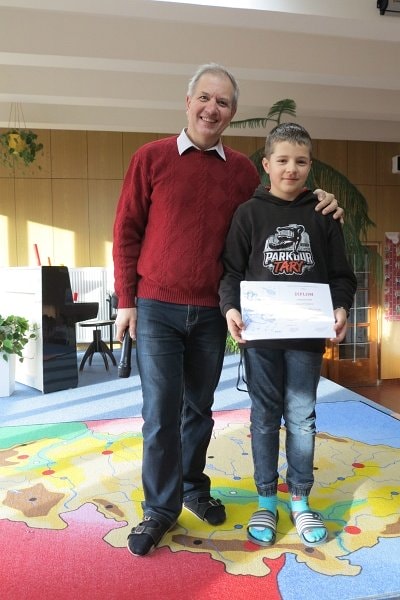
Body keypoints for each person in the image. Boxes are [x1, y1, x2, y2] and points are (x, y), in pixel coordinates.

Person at [112, 63, 344, 557]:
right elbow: (126, 230)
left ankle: (193, 487)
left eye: (222, 102)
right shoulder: (150, 157)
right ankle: (160, 509)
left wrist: (320, 198)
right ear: (188, 102)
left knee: (199, 410)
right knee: (160, 413)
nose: (211, 108)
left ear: (232, 112)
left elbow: (278, 200)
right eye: (204, 98)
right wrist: (126, 300)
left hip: (212, 312)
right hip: (157, 306)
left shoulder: (240, 170)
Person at [219, 122, 357, 548]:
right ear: (267, 164)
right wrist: (230, 308)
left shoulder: (323, 215)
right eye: (282, 160)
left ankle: (299, 499)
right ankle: (266, 500)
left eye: (300, 161)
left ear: (310, 165)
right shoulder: (249, 214)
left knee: (302, 417)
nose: (291, 169)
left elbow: (341, 276)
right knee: (264, 416)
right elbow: (231, 272)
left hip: (306, 339)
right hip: (260, 337)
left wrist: (340, 307)